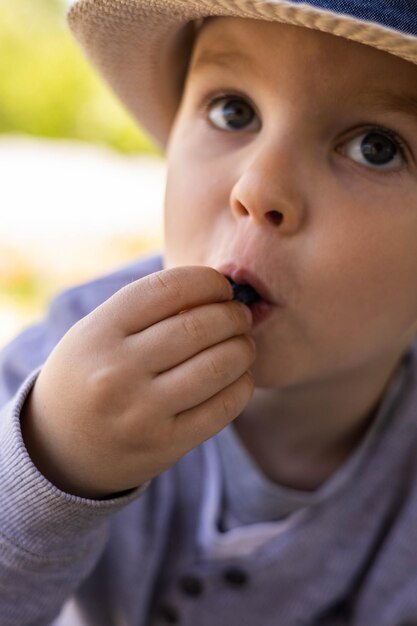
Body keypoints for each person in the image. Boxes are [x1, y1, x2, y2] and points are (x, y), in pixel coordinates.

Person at [1, 1, 417, 624]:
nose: (257, 188)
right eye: (233, 110)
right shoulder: (66, 367)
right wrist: (54, 472)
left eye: (376, 148)